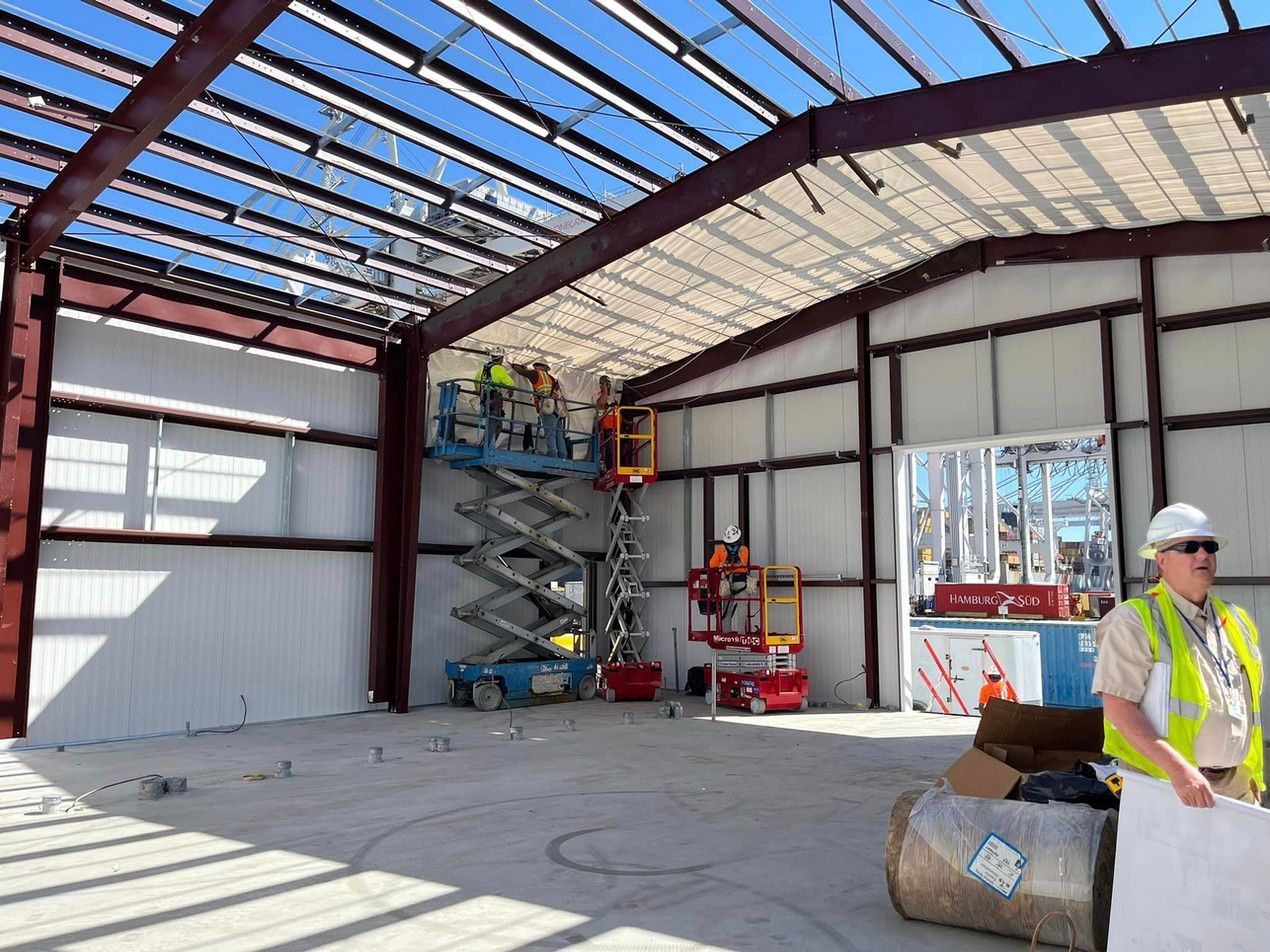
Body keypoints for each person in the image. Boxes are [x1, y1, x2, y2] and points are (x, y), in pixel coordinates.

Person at [1093, 503, 1263, 808]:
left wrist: (1251, 775)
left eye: (1208, 546)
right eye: (1188, 546)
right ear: (1161, 560)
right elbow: (1118, 707)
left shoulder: (1235, 620)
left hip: (1234, 785)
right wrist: (1178, 770)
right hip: (1167, 786)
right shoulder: (1134, 620)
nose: (1203, 555)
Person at [511, 359, 567, 458]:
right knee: (559, 435)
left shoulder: (535, 374)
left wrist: (514, 365)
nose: (535, 367)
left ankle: (552, 455)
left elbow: (521, 372)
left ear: (540, 366)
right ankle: (563, 456)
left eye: (536, 365)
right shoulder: (551, 378)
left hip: (547, 406)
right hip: (557, 408)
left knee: (550, 433)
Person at [709, 525, 751, 629]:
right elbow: (744, 563)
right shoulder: (744, 549)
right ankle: (742, 633)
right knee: (742, 608)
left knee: (726, 609)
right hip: (741, 582)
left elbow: (712, 564)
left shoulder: (721, 549)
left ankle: (726, 632)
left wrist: (722, 565)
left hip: (727, 582)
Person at [472, 351, 515, 448]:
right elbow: (509, 382)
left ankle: (486, 444)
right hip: (494, 398)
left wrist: (479, 391)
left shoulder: (484, 368)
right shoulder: (498, 368)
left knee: (495, 423)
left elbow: (476, 380)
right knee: (495, 423)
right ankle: (487, 446)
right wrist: (511, 388)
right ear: (501, 359)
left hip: (484, 398)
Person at [595, 374, 618, 469]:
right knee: (610, 451)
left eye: (608, 383)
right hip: (608, 429)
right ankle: (610, 469)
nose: (607, 386)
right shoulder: (599, 397)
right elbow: (602, 402)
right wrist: (604, 389)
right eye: (604, 384)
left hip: (617, 428)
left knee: (617, 450)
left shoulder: (613, 397)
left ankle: (616, 467)